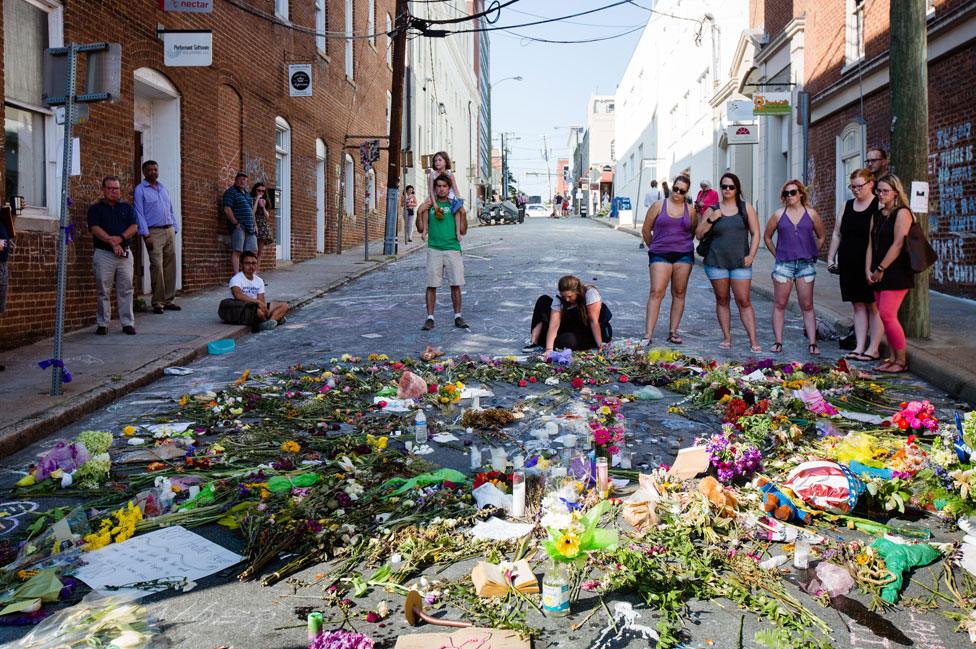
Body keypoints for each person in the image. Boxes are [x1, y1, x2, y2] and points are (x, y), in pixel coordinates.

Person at [696, 172, 762, 352]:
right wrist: (711, 218)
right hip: (716, 262)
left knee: (744, 300)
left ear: (737, 188)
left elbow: (756, 233)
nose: (727, 190)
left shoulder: (745, 208)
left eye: (731, 187)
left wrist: (752, 255)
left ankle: (753, 340)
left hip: (741, 262)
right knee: (722, 299)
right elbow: (699, 234)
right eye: (724, 186)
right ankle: (727, 337)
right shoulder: (712, 208)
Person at [763, 179, 826, 355]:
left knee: (807, 305)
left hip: (805, 265)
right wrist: (778, 254)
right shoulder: (778, 214)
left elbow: (821, 236)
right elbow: (767, 237)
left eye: (793, 192)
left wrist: (812, 252)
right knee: (780, 304)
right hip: (784, 265)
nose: (789, 196)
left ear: (800, 194)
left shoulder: (811, 214)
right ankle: (778, 342)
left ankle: (813, 343)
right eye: (786, 193)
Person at [827, 169, 884, 362]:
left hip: (870, 262)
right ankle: (859, 346)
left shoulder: (879, 204)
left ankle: (873, 348)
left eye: (860, 186)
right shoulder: (847, 205)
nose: (856, 190)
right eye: (853, 186)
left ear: (871, 184)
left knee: (873, 305)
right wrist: (830, 257)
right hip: (849, 261)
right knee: (857, 305)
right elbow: (837, 233)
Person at [641, 173, 697, 345]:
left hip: (683, 255)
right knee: (656, 292)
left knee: (679, 293)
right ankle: (648, 334)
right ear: (672, 188)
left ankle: (673, 332)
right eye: (675, 189)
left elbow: (692, 231)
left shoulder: (691, 210)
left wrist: (683, 245)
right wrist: (655, 248)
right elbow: (645, 230)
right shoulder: (659, 205)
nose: (677, 193)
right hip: (660, 254)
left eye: (681, 191)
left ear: (686, 193)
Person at [866, 174, 914, 373]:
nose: (881, 194)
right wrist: (868, 269)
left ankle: (901, 361)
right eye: (879, 191)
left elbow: (898, 243)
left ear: (896, 192)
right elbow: (870, 244)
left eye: (886, 191)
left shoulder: (902, 213)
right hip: (877, 271)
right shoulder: (877, 215)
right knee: (885, 316)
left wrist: (880, 269)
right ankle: (893, 357)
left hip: (895, 271)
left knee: (887, 314)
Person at [88, 176, 138, 335]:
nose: (113, 191)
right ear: (103, 190)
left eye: (116, 188)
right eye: (109, 188)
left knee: (126, 289)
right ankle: (103, 323)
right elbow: (94, 228)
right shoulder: (95, 209)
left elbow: (134, 227)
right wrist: (112, 242)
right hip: (104, 254)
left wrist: (121, 239)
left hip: (124, 255)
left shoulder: (127, 207)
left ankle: (127, 323)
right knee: (103, 289)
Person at [418, 174, 469, 330]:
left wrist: (464, 214)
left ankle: (458, 316)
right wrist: (419, 211)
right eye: (438, 186)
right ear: (435, 188)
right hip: (434, 248)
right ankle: (430, 318)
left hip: (452, 248)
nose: (441, 189)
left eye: (444, 186)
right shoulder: (430, 205)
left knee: (456, 284)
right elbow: (421, 229)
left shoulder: (454, 205)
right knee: (431, 285)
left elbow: (463, 230)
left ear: (449, 188)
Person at [134, 160, 179, 314]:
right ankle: (157, 302)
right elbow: (139, 213)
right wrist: (146, 235)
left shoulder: (163, 188)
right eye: (150, 170)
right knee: (157, 266)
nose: (153, 172)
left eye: (155, 169)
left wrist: (175, 228)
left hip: (169, 230)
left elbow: (170, 209)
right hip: (153, 233)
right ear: (144, 172)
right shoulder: (140, 190)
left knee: (170, 265)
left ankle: (169, 299)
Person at [525, 275, 611, 354]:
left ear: (577, 292)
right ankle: (535, 341)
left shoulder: (590, 294)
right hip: (570, 325)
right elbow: (554, 325)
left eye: (570, 296)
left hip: (589, 330)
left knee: (565, 341)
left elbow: (594, 321)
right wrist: (549, 350)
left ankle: (550, 342)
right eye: (563, 296)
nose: (566, 299)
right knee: (543, 300)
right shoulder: (559, 298)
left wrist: (600, 345)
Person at [229, 250, 288, 332]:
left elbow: (261, 298)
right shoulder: (236, 279)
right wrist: (257, 302)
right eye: (247, 263)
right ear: (241, 264)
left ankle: (269, 322)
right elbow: (238, 296)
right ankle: (275, 319)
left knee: (284, 305)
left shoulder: (259, 280)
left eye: (253, 263)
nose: (251, 266)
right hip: (242, 308)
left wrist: (263, 307)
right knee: (259, 312)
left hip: (257, 306)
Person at [223, 172, 257, 274]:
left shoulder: (247, 194)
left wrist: (255, 225)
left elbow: (251, 212)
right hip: (239, 226)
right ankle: (237, 276)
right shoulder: (230, 192)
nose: (243, 181)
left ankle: (251, 276)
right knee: (238, 251)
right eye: (241, 179)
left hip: (250, 228)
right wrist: (236, 223)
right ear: (236, 180)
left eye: (245, 180)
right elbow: (227, 209)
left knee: (252, 252)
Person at [418, 152, 463, 216]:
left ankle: (458, 225)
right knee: (425, 207)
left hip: (449, 194)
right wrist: (434, 203)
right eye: (435, 161)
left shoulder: (450, 174)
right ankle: (425, 225)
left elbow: (455, 188)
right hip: (435, 194)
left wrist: (458, 199)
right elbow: (430, 191)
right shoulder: (432, 175)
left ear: (445, 162)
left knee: (458, 208)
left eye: (440, 160)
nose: (437, 162)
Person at [251, 182, 274, 269]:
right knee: (253, 250)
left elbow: (267, 216)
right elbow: (252, 212)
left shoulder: (265, 201)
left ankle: (256, 273)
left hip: (263, 227)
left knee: (259, 252)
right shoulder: (251, 199)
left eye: (263, 191)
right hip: (254, 225)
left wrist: (263, 206)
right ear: (255, 190)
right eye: (258, 190)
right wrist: (257, 200)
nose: (261, 193)